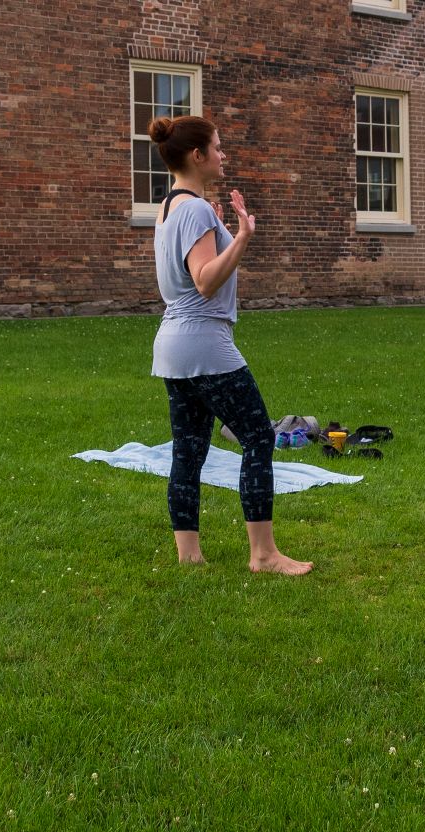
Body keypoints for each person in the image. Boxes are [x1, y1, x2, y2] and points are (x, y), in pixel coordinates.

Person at [148, 114, 312, 575]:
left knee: (189, 448)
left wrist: (223, 231)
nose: (223, 155)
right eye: (218, 148)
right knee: (259, 436)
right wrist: (241, 236)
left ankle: (189, 555)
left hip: (173, 347)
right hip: (204, 343)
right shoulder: (195, 210)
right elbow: (203, 281)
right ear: (197, 156)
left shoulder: (170, 207)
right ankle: (263, 555)